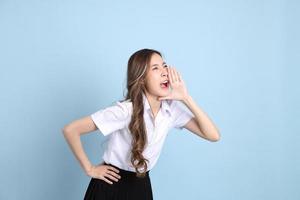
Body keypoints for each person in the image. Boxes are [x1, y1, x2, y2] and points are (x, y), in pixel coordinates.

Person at [62, 48, 221, 200]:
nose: (165, 72)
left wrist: (186, 98)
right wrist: (90, 169)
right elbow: (71, 130)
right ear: (142, 78)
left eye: (164, 66)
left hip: (141, 186)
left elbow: (213, 135)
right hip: (111, 185)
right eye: (156, 68)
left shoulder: (172, 109)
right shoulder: (125, 110)